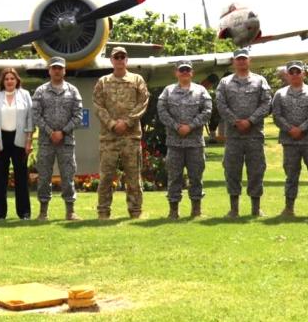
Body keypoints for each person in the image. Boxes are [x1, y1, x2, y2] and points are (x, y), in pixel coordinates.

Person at [93, 46, 150, 219]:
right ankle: (103, 211)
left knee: (133, 176)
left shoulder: (137, 79)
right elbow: (97, 105)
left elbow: (143, 101)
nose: (119, 60)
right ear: (111, 60)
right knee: (106, 177)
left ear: (126, 60)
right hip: (109, 137)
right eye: (116, 57)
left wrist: (128, 122)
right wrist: (111, 124)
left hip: (130, 136)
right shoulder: (103, 81)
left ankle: (135, 211)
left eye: (122, 57)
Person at [215, 48, 271, 217]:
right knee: (232, 170)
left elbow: (266, 103)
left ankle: (256, 208)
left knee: (256, 170)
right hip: (233, 136)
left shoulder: (260, 81)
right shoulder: (224, 83)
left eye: (244, 59)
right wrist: (235, 121)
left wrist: (250, 120)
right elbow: (220, 104)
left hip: (254, 135)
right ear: (233, 62)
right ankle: (234, 209)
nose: (241, 61)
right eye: (238, 59)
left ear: (249, 60)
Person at [157, 62, 213, 219]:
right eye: (182, 70)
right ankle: (173, 211)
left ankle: (196, 210)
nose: (185, 72)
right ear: (176, 73)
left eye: (187, 70)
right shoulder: (168, 91)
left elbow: (207, 111)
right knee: (174, 177)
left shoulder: (201, 91)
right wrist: (176, 126)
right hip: (174, 143)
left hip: (194, 143)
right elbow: (162, 111)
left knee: (196, 177)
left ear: (192, 73)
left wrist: (191, 126)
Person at [272, 60, 308, 217]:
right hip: (290, 142)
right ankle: (289, 208)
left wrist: (301, 129)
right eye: (292, 72)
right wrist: (290, 129)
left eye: (298, 72)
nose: (295, 75)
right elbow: (276, 115)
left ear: (303, 73)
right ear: (287, 75)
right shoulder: (280, 94)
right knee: (291, 175)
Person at [31, 57, 83, 221]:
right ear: (49, 70)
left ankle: (70, 211)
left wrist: (63, 132)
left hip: (66, 142)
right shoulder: (40, 91)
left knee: (68, 176)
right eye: (54, 68)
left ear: (64, 71)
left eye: (60, 68)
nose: (57, 71)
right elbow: (35, 115)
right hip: (46, 142)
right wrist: (49, 131)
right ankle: (43, 212)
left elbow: (78, 115)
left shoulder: (72, 91)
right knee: (44, 177)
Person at [0, 68, 33, 220]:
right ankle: (0, 214)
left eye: (12, 78)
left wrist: (29, 140)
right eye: (6, 79)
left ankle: (24, 213)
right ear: (2, 81)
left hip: (19, 139)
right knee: (0, 178)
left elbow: (30, 119)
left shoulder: (25, 95)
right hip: (1, 140)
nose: (9, 81)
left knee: (21, 178)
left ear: (17, 80)